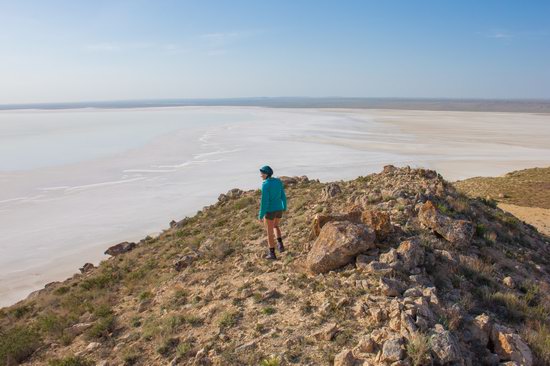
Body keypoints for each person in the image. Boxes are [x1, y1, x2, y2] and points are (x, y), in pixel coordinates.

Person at [258, 165, 287, 260]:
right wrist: (284, 207)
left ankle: (272, 254)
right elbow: (283, 195)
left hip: (270, 211)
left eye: (262, 173)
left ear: (266, 174)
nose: (260, 175)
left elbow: (264, 202)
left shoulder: (265, 184)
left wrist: (261, 215)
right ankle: (280, 245)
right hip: (279, 209)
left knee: (269, 233)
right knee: (276, 226)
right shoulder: (278, 181)